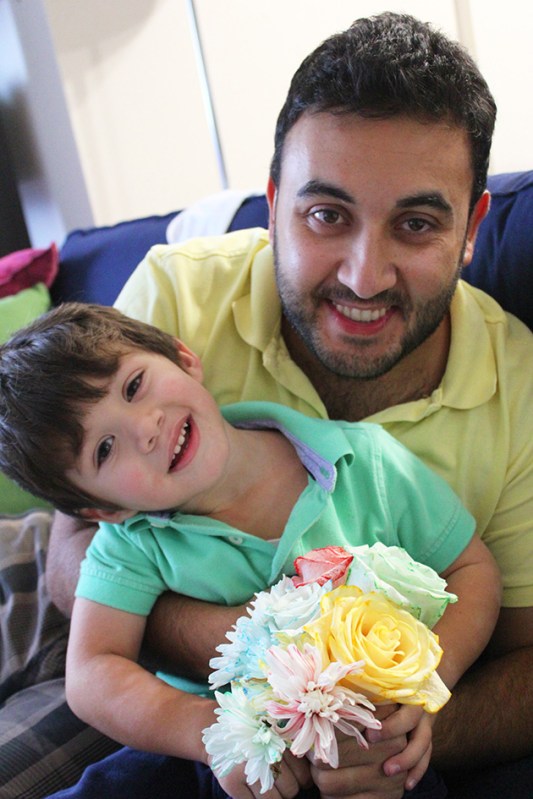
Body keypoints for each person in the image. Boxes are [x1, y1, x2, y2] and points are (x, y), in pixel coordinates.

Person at [8, 9, 533, 799]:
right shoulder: (175, 294)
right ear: (274, 199)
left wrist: (371, 735)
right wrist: (261, 671)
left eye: (416, 223)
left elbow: (514, 644)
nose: (362, 276)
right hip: (176, 709)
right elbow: (74, 554)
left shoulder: (508, 389)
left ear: (471, 229)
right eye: (326, 215)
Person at [0, 302, 500, 799]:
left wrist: (429, 682)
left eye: (133, 386)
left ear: (182, 358)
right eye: (105, 449)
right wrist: (208, 732)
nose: (145, 429)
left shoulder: (363, 460)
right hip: (220, 757)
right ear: (102, 510)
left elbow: (472, 570)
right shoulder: (133, 540)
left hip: (372, 747)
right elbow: (92, 671)